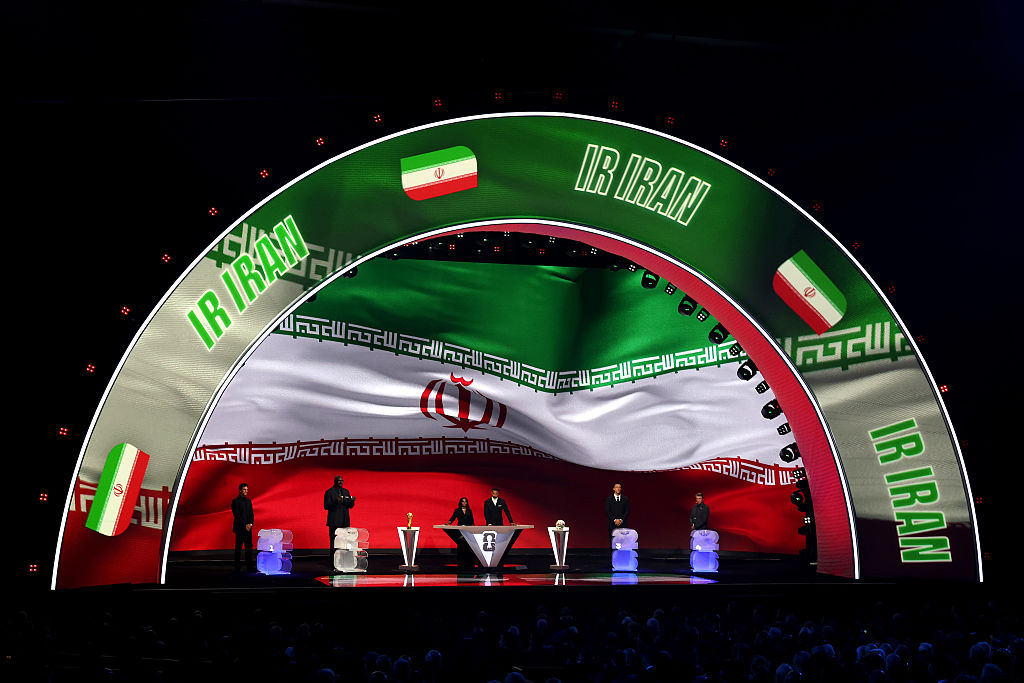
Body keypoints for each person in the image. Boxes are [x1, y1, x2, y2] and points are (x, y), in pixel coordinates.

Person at [324, 475, 356, 562]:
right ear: (335, 481)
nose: (341, 482)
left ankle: (343, 562)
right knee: (334, 543)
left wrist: (352, 501)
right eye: (339, 480)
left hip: (344, 521)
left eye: (342, 480)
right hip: (334, 522)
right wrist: (336, 501)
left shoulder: (346, 491)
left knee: (345, 543)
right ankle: (333, 563)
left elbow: (350, 506)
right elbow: (326, 506)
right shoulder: (329, 492)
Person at [231, 482, 255, 572]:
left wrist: (250, 524)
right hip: (240, 528)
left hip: (248, 528)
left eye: (247, 489)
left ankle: (249, 566)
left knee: (249, 548)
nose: (246, 491)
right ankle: (237, 567)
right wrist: (245, 525)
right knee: (238, 548)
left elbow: (251, 514)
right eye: (244, 489)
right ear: (240, 490)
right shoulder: (235, 501)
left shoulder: (248, 501)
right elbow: (237, 515)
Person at [447, 497, 475, 568]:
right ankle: (460, 562)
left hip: (468, 530)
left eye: (465, 501)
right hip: (460, 530)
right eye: (463, 501)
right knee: (460, 546)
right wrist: (448, 523)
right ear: (460, 502)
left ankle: (468, 563)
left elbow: (472, 521)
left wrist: (473, 529)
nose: (464, 503)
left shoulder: (469, 511)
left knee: (468, 546)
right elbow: (452, 518)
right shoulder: (457, 510)